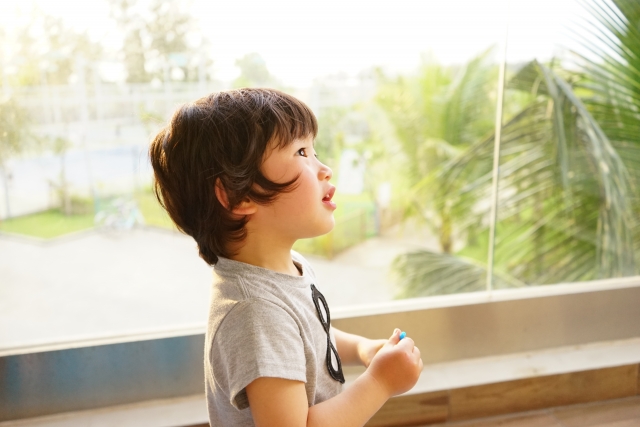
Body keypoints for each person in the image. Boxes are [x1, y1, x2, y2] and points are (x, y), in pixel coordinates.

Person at [148, 88, 423, 426]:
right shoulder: (255, 314)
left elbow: (308, 336)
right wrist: (380, 382)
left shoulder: (283, 268)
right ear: (237, 195)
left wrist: (362, 349)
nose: (325, 169)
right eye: (302, 152)